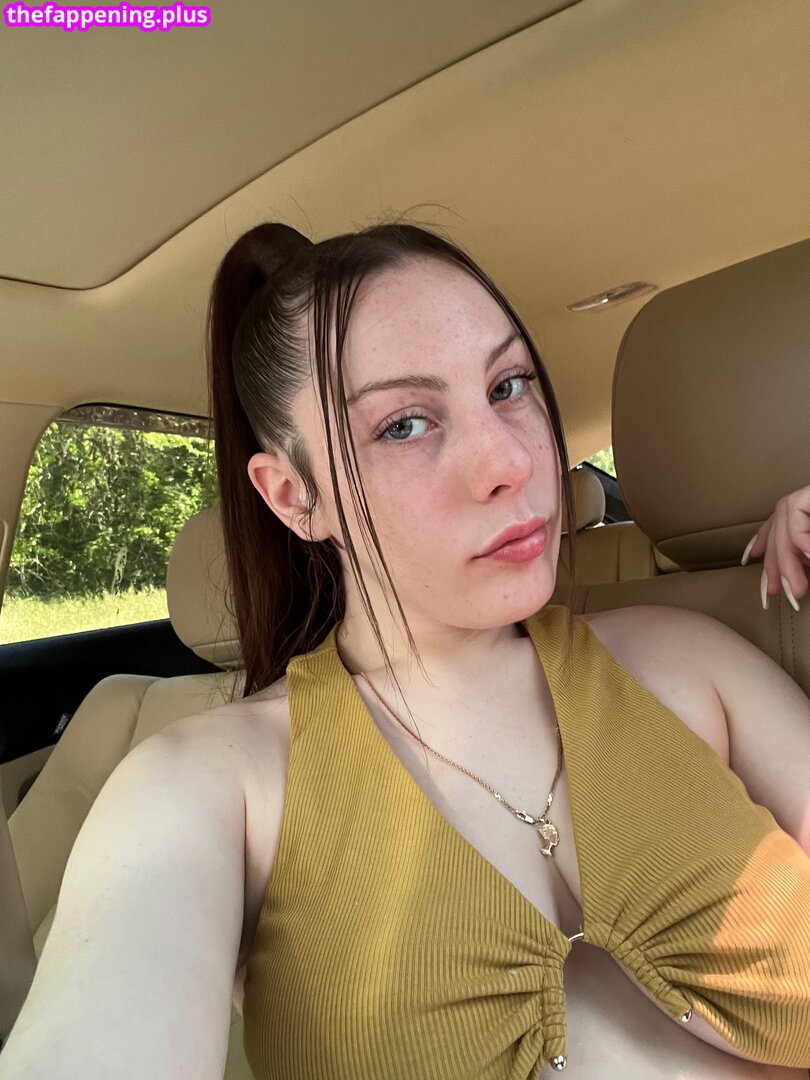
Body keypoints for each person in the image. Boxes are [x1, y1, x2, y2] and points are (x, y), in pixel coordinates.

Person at [1, 220, 808, 1080]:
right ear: (295, 497)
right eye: (405, 424)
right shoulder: (206, 789)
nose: (509, 461)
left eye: (508, 385)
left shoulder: (690, 662)